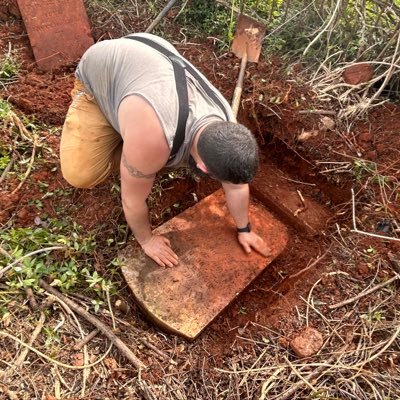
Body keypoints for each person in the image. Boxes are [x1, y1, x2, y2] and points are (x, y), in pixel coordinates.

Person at [60, 32, 269, 267]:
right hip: (100, 73)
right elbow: (132, 201)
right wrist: (147, 240)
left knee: (147, 155)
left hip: (147, 69)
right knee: (81, 174)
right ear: (201, 167)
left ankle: (131, 134)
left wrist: (245, 229)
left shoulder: (227, 126)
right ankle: (118, 128)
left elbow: (237, 185)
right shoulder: (154, 140)